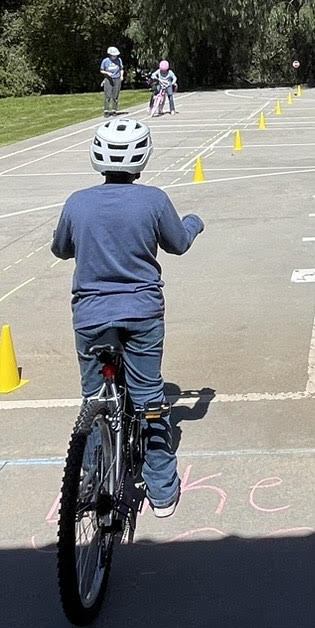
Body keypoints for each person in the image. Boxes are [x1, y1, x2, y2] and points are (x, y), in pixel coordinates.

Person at [50, 117, 204, 516]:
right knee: (149, 396)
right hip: (141, 312)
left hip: (91, 314)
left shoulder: (77, 202)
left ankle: (90, 478)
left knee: (94, 396)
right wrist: (193, 223)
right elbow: (178, 244)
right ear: (143, 158)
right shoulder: (154, 200)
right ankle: (162, 489)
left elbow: (61, 249)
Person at [98, 45, 124, 117]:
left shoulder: (119, 60)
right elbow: (101, 70)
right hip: (108, 79)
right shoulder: (105, 61)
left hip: (117, 78)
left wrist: (121, 76)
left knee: (115, 96)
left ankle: (114, 110)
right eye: (113, 55)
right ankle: (106, 110)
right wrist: (107, 73)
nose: (115, 57)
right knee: (108, 95)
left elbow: (121, 69)